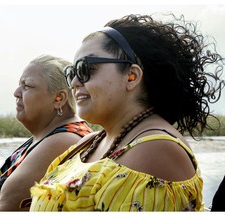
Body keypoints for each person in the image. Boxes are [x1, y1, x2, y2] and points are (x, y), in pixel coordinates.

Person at [27, 14, 225, 211]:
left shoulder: (155, 151)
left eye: (86, 68)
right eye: (71, 73)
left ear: (131, 76)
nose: (74, 82)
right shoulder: (88, 143)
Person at [0, 54, 93, 211]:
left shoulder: (64, 140)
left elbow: (8, 207)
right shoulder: (44, 135)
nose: (16, 92)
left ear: (59, 98)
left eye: (27, 86)